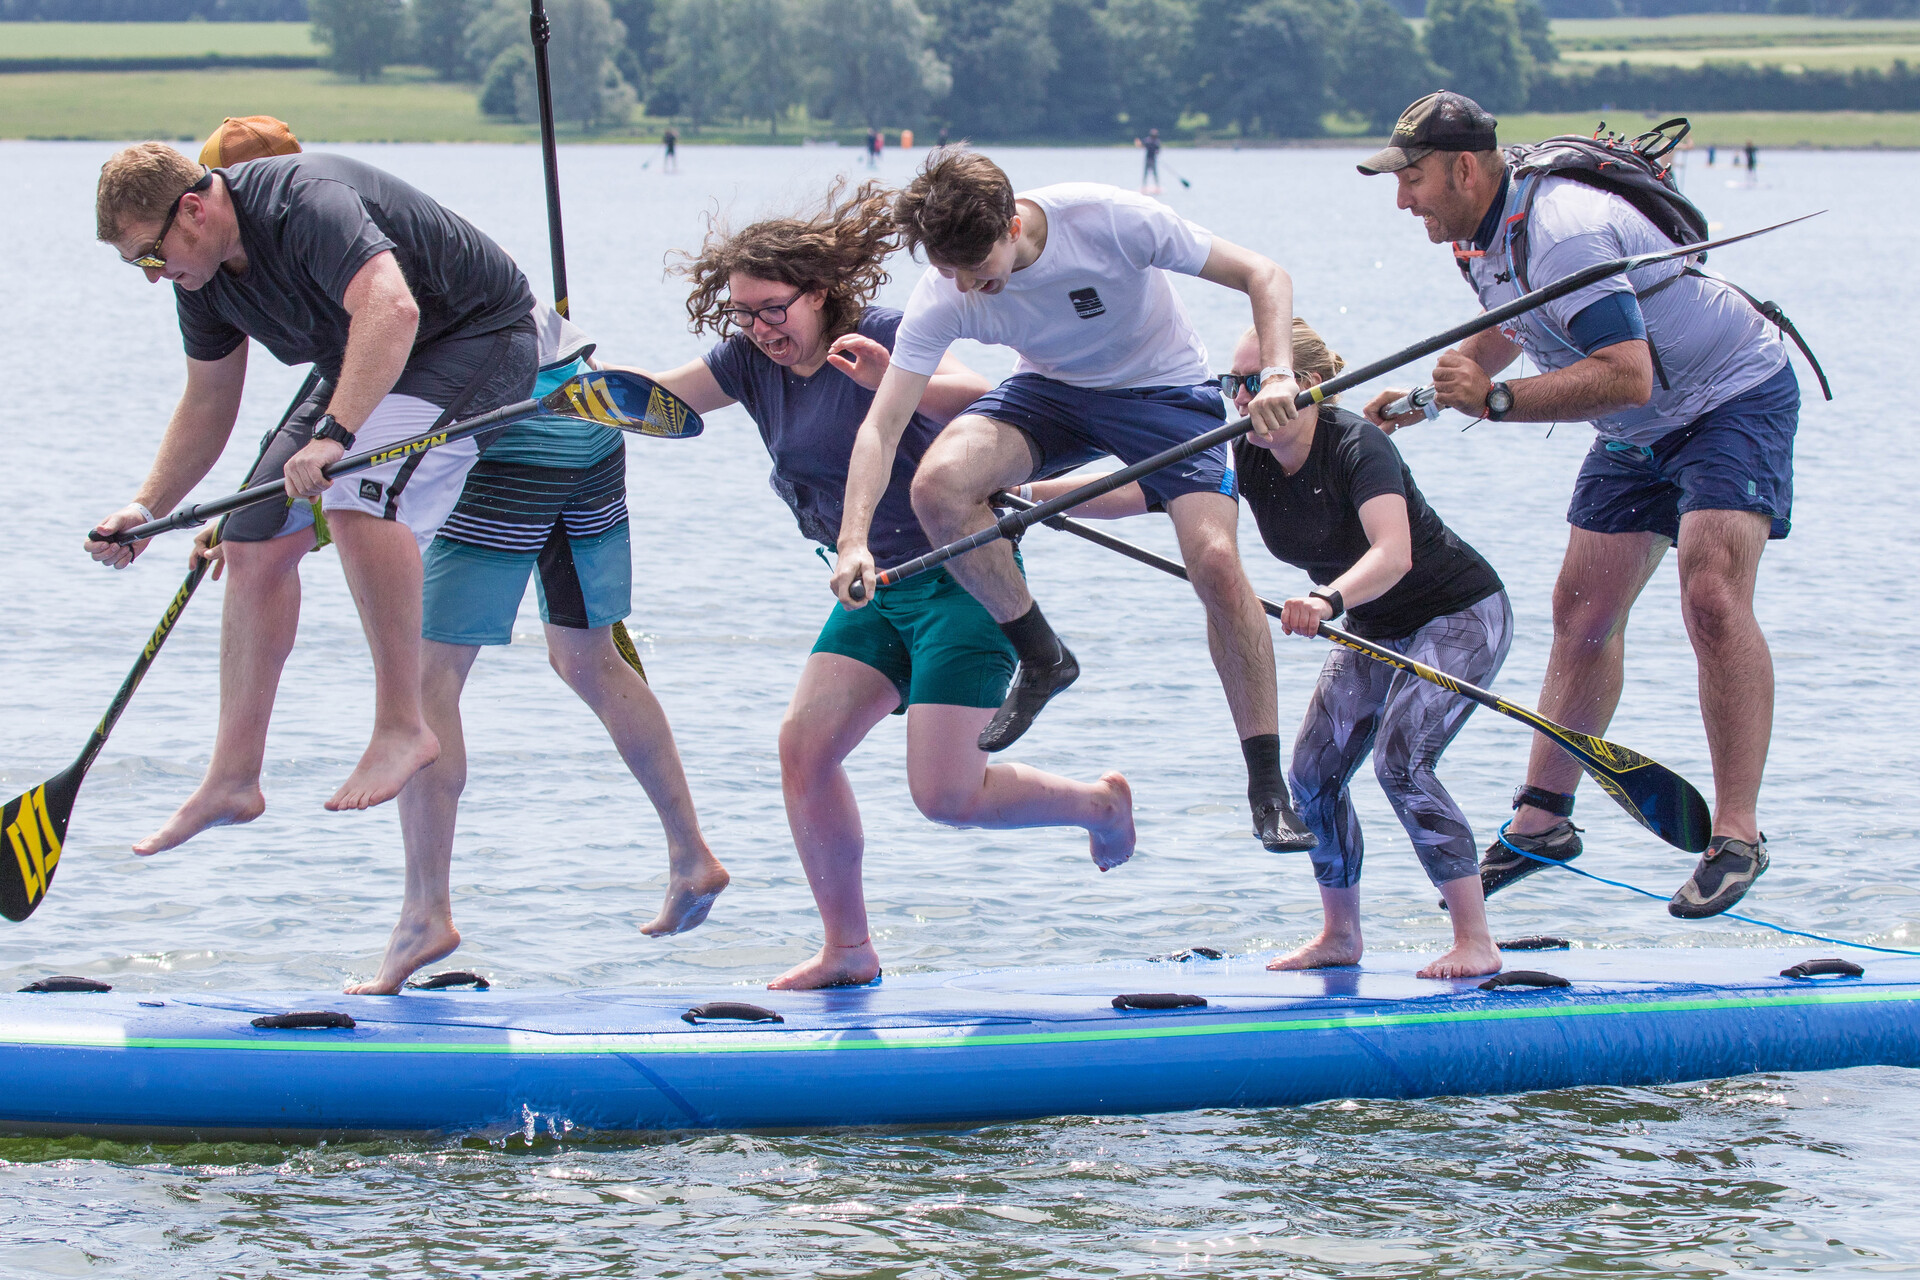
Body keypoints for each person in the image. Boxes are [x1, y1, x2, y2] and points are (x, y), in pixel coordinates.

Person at [621, 181, 1135, 990]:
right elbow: (652, 401)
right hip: (872, 589)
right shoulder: (747, 363)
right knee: (804, 749)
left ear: (819, 292)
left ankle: (1098, 805)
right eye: (744, 315)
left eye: (774, 309)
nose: (761, 329)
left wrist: (893, 379)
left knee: (945, 797)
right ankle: (849, 950)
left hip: (961, 582)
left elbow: (991, 398)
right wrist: (568, 386)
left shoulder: (886, 334)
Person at [1360, 91, 1800, 918]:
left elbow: (1626, 373)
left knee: (1710, 595)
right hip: (1637, 426)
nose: (1403, 200)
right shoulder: (1479, 234)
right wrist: (1426, 399)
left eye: (1412, 179)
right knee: (1581, 611)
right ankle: (1543, 822)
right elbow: (1516, 324)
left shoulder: (1563, 229)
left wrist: (1496, 403)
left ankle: (1737, 836)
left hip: (1729, 398)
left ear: (1464, 168)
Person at [829, 148, 1319, 854]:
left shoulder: (1108, 220)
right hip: (1051, 395)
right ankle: (1042, 655)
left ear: (1012, 223)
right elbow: (882, 426)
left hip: (1165, 393)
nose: (965, 285)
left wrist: (1275, 375)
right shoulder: (946, 291)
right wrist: (853, 540)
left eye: (978, 267)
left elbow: (1264, 274)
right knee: (938, 487)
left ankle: (1268, 789)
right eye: (949, 270)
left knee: (1215, 563)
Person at [87, 143, 539, 848]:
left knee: (357, 496)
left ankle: (403, 727)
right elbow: (208, 401)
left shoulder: (306, 201)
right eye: (135, 265)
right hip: (366, 357)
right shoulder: (198, 277)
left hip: (476, 338)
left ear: (193, 210)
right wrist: (147, 510)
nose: (152, 276)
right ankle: (233, 778)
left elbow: (392, 309)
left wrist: (334, 436)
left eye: (149, 255)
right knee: (250, 538)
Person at [1032, 322, 1513, 978]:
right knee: (1312, 776)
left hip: (1460, 614)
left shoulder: (1357, 444)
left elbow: (1393, 552)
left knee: (1401, 761)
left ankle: (1475, 939)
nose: (1240, 399)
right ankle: (1341, 935)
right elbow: (1138, 490)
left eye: (1254, 383)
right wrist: (1027, 498)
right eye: (1232, 383)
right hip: (1375, 626)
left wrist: (1326, 601)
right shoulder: (1243, 454)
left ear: (1304, 386)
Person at [346, 306, 730, 993]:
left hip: (514, 430)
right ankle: (690, 853)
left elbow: (338, 432)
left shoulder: (357, 276)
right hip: (589, 413)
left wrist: (260, 525)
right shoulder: (449, 263)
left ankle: (425, 913)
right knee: (588, 658)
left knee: (430, 679)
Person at [1139, 127, 1162, 193]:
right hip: (1149, 159)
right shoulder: (1148, 140)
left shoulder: (1156, 141)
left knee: (1154, 174)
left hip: (1152, 159)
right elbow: (1141, 145)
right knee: (1146, 173)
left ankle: (1157, 187)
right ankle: (1144, 187)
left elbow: (1158, 151)